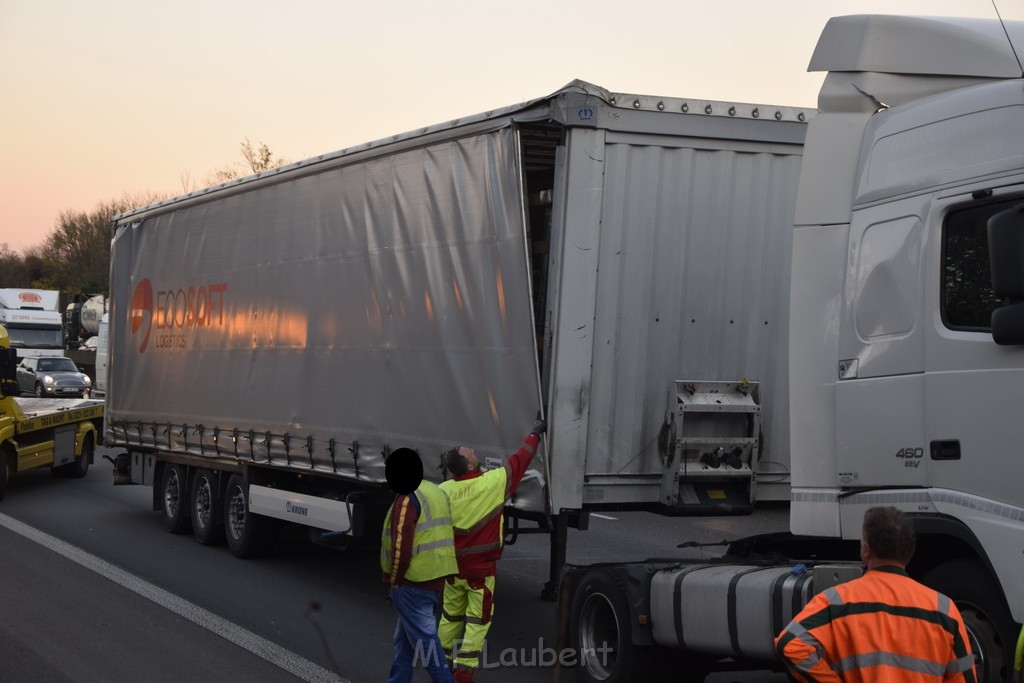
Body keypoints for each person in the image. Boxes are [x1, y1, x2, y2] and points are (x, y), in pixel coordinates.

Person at [776, 506, 977, 682]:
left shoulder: (836, 602)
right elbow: (964, 677)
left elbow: (789, 645)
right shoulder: (944, 609)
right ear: (909, 552)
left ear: (866, 550)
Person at [437, 418, 547, 683]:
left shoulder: (443, 491)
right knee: (477, 622)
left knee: (450, 617)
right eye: (470, 452)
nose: (472, 451)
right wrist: (535, 434)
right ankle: (463, 675)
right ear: (471, 465)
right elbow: (519, 461)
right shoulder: (491, 484)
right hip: (480, 570)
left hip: (452, 569)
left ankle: (440, 667)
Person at [381, 447, 458, 683]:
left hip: (412, 582)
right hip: (435, 580)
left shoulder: (406, 498)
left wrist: (395, 581)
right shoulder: (434, 491)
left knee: (427, 645)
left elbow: (401, 547)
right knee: (405, 642)